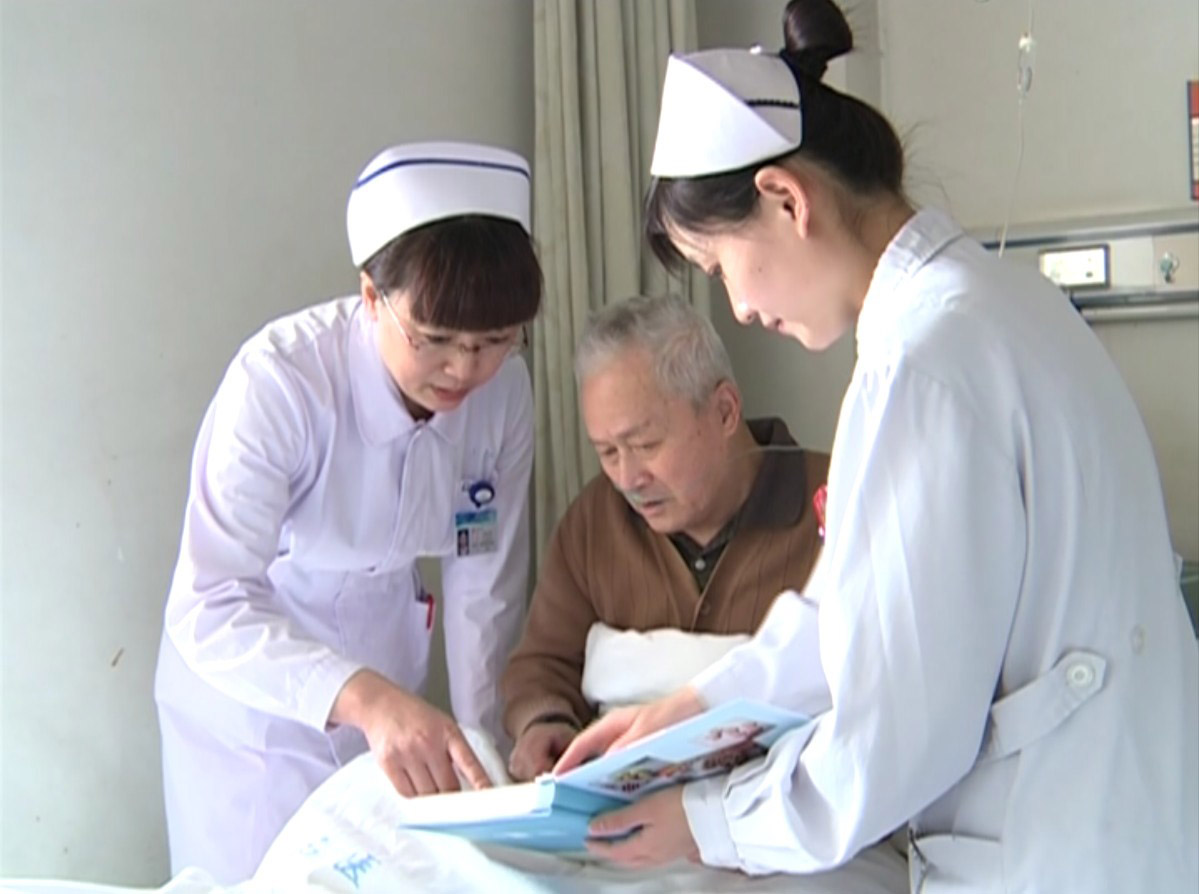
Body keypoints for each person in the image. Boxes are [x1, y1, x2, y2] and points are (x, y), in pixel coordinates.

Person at [555, 2, 1199, 890]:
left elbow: (894, 735)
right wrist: (698, 704)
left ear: (786, 200)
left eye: (719, 266)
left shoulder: (920, 364)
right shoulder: (1006, 304)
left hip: (1050, 852)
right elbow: (853, 611)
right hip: (1123, 829)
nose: (739, 308)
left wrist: (709, 822)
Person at [154, 141, 542, 882]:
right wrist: (362, 698)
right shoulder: (282, 384)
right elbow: (209, 601)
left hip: (384, 687)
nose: (465, 369)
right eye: (435, 340)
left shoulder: (505, 393)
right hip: (253, 713)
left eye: (495, 340)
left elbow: (483, 586)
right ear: (371, 296)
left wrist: (484, 752)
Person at [500, 295, 829, 781]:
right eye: (607, 452)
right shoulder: (595, 520)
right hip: (616, 799)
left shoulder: (834, 503)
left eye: (645, 445)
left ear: (724, 411)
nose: (627, 478)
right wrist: (543, 723)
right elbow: (543, 664)